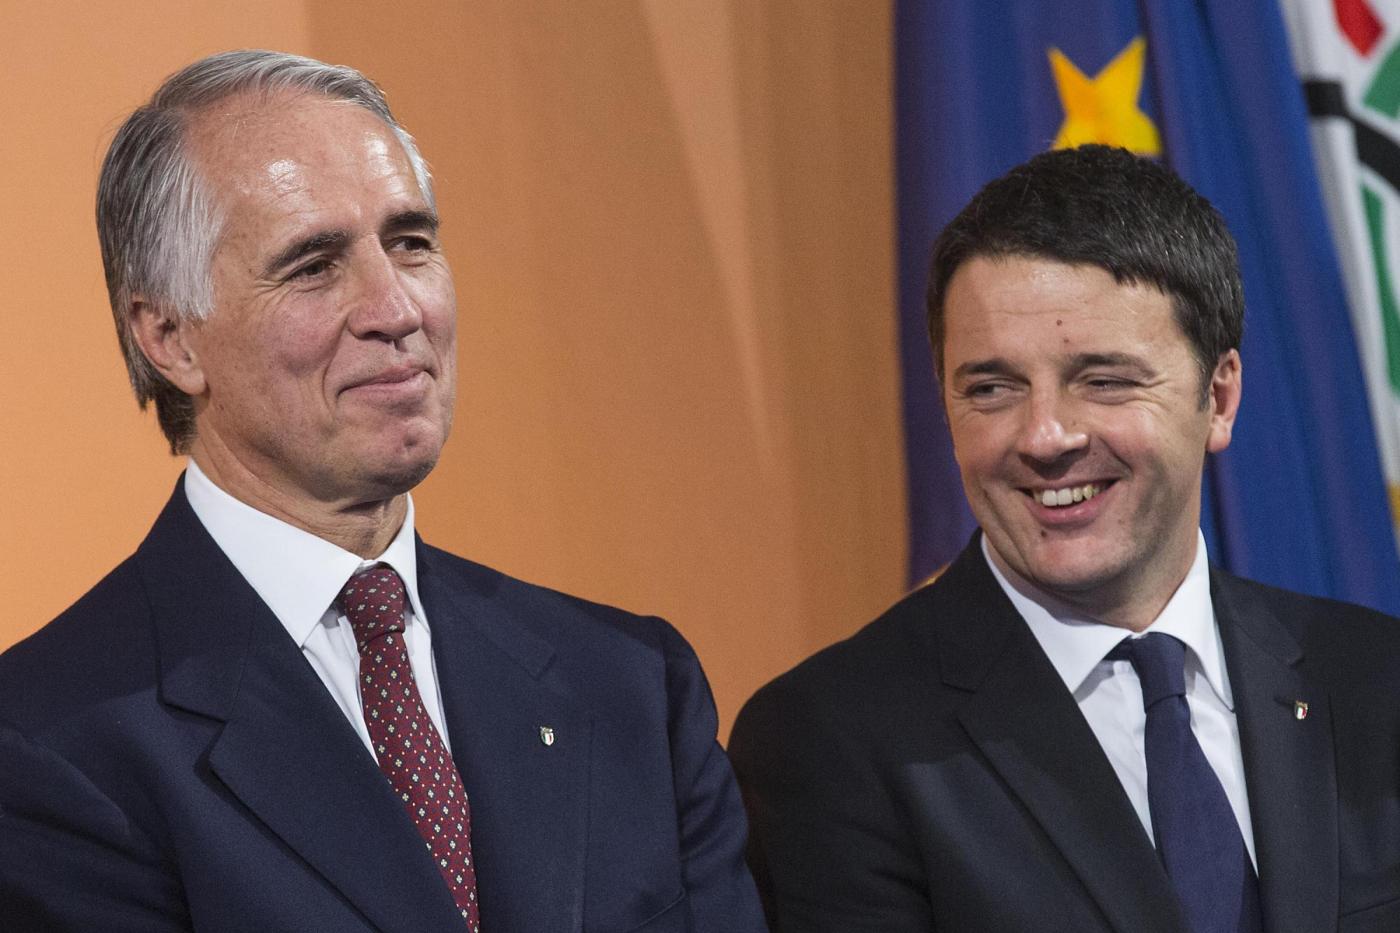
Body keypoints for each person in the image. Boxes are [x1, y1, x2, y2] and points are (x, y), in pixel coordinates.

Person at [0, 50, 764, 933]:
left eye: (411, 243)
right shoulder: (47, 743)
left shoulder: (632, 686)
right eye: (313, 265)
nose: (397, 309)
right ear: (170, 336)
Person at [728, 145, 1400, 932]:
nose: (1045, 436)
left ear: (1219, 398)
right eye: (991, 388)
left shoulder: (1375, 680)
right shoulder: (829, 740)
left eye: (1104, 380)